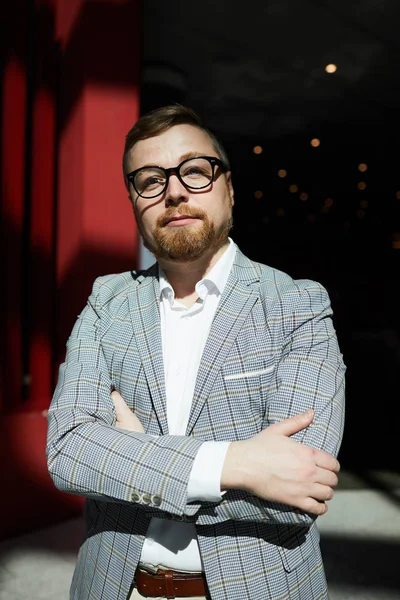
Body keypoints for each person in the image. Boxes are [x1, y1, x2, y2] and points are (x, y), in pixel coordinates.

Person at [46, 104, 345, 600]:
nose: (175, 191)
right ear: (134, 200)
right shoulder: (107, 302)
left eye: (194, 171)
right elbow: (68, 452)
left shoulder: (298, 304)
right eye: (149, 180)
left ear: (228, 186)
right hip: (115, 587)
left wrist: (130, 457)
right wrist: (241, 464)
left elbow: (302, 489)